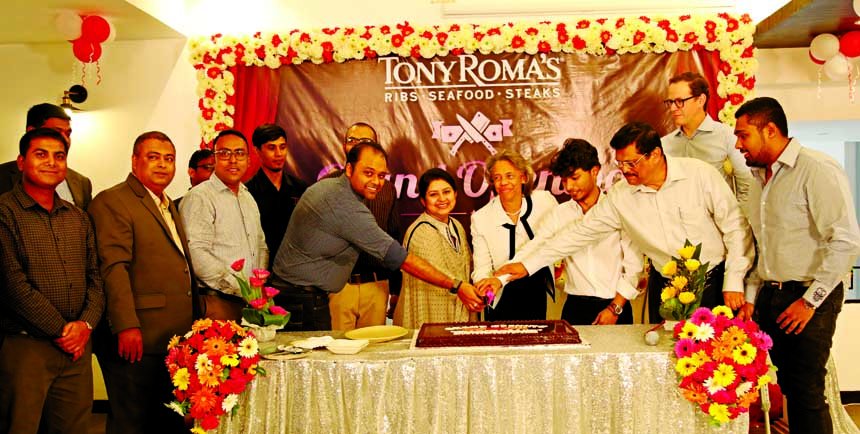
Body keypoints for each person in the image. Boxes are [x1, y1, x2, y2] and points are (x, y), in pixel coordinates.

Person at [496, 122, 755, 323]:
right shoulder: (621, 195)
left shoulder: (699, 175)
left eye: (632, 163)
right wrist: (527, 265)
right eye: (620, 163)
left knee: (712, 365)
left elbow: (735, 228)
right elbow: (578, 234)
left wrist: (733, 281)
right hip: (664, 286)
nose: (625, 170)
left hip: (711, 282)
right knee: (668, 360)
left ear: (655, 154)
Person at [733, 97, 860, 434]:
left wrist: (809, 302)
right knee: (789, 388)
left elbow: (846, 241)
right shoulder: (760, 179)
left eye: (743, 135)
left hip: (809, 298)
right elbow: (763, 248)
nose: (738, 144)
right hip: (771, 296)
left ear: (770, 130)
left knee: (806, 393)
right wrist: (750, 297)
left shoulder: (816, 168)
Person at [272, 142, 484, 331]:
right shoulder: (344, 205)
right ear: (349, 169)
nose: (376, 181)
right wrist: (456, 286)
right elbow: (400, 258)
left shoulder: (335, 190)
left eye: (381, 175)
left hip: (301, 295)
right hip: (301, 300)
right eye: (368, 173)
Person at [87, 131, 198, 434]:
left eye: (169, 158)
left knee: (165, 420)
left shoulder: (167, 203)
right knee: (132, 422)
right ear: (135, 162)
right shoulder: (115, 200)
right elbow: (113, 267)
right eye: (153, 157)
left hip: (170, 337)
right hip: (136, 337)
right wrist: (125, 325)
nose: (162, 165)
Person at [0, 128, 104, 434]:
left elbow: (96, 279)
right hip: (25, 348)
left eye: (59, 156)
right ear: (21, 162)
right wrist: (62, 331)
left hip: (76, 351)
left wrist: (84, 326)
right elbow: (11, 285)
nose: (51, 162)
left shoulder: (77, 217)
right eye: (40, 154)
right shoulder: (4, 213)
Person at [527, 139, 644, 325]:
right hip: (575, 308)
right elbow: (537, 247)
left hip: (616, 306)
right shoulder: (560, 214)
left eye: (574, 178)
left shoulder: (617, 208)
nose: (569, 187)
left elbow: (634, 266)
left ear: (595, 171)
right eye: (564, 180)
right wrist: (501, 277)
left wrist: (614, 309)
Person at [180, 130, 267, 321]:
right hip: (216, 302)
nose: (233, 160)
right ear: (214, 160)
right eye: (225, 153)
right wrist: (239, 286)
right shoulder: (200, 197)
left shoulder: (247, 197)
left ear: (249, 160)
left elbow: (260, 246)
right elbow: (196, 252)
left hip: (248, 302)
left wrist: (256, 287)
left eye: (239, 154)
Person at [322, 122, 401, 331]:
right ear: (343, 146)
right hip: (339, 287)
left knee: (372, 354)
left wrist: (396, 288)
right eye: (352, 140)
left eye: (366, 141)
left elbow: (393, 238)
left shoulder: (387, 189)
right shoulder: (326, 185)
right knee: (337, 357)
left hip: (376, 286)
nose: (358, 145)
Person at [471, 149, 558, 321]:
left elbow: (555, 240)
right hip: (500, 295)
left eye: (510, 176)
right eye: (497, 177)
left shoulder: (545, 202)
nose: (503, 182)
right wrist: (486, 290)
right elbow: (481, 266)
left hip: (536, 292)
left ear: (523, 177)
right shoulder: (480, 218)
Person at [392, 169, 474, 328]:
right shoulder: (420, 231)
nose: (442, 199)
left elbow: (466, 269)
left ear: (455, 194)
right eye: (433, 194)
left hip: (458, 309)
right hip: (430, 312)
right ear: (423, 200)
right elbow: (441, 275)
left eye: (446, 192)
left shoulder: (456, 225)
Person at [661, 72, 753, 208]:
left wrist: (736, 222)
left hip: (719, 223)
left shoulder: (727, 136)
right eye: (670, 102)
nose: (673, 108)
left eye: (679, 101)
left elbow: (747, 186)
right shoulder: (664, 144)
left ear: (700, 100)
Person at [0, 103, 92, 209]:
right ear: (31, 132)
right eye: (55, 133)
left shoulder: (81, 183)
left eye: (68, 134)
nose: (65, 140)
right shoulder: (2, 176)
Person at [245, 124, 308, 269]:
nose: (279, 154)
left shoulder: (302, 189)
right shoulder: (247, 192)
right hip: (261, 271)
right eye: (271, 148)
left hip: (296, 271)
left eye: (283, 147)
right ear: (257, 151)